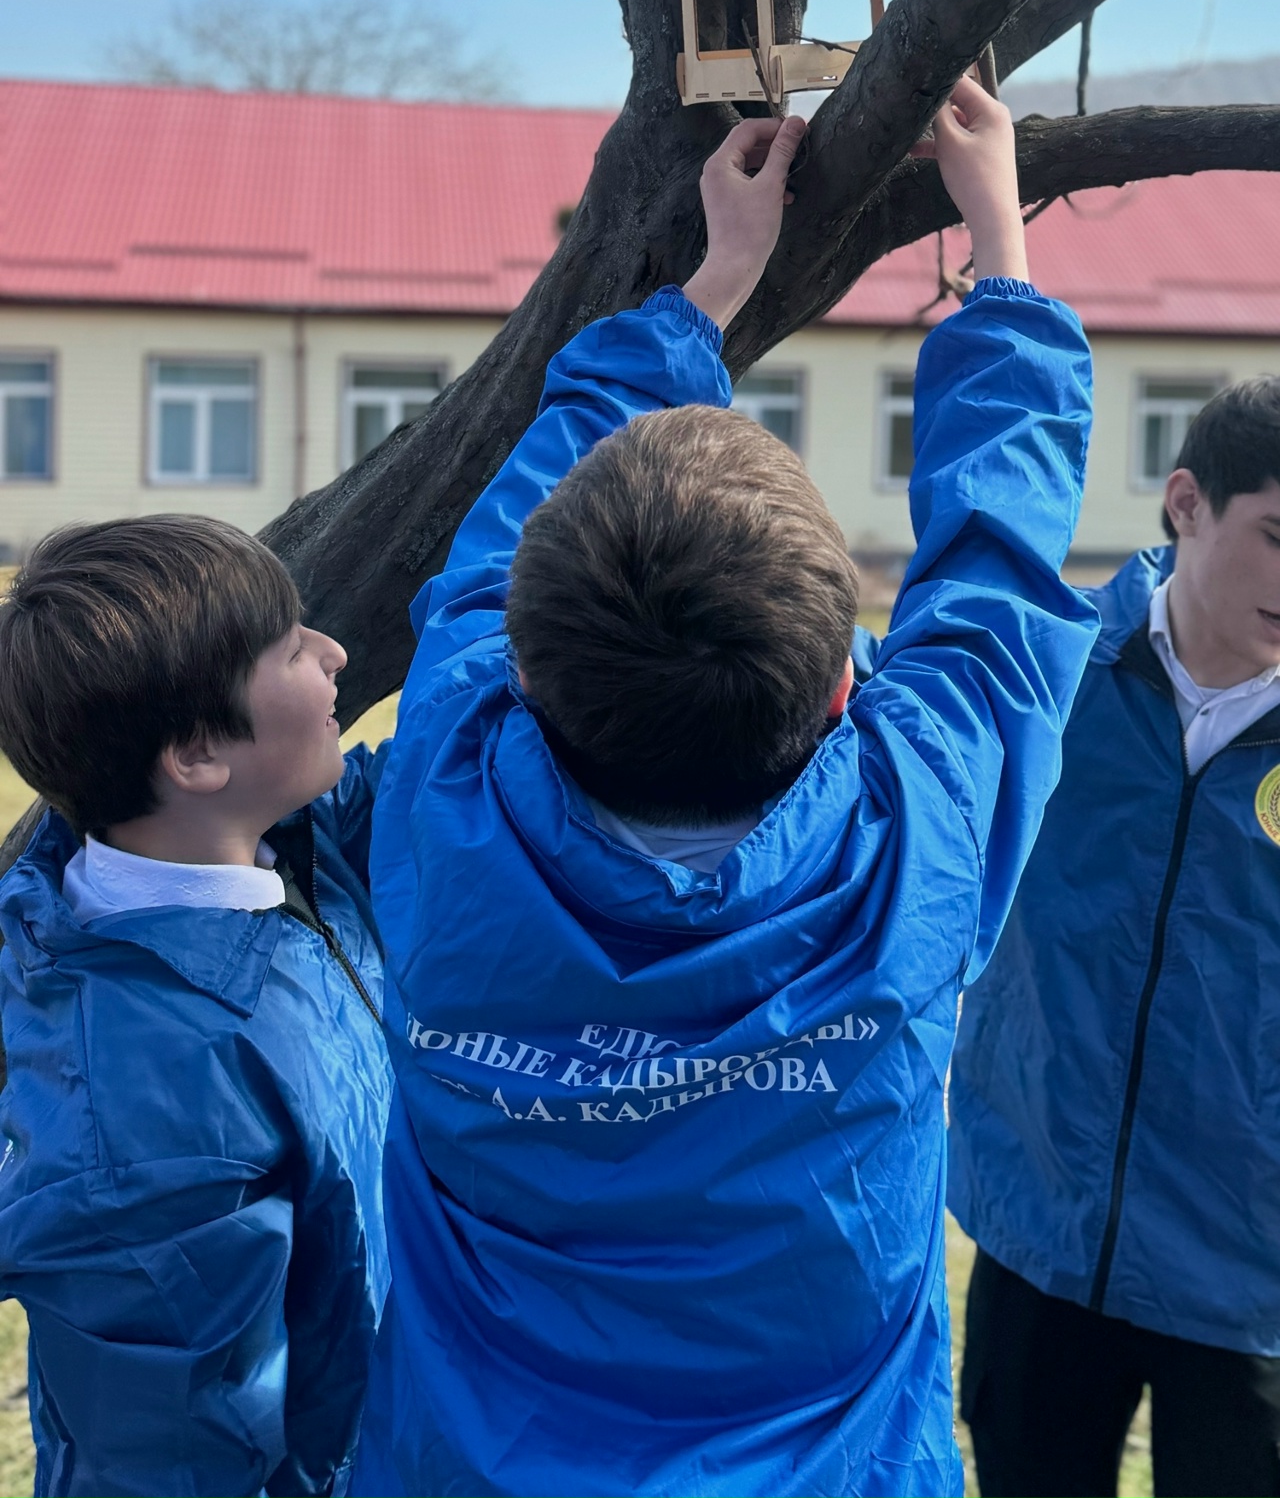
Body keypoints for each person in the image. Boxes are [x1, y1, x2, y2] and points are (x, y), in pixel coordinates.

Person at [352, 76, 1097, 1498]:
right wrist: (997, 244)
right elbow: (998, 576)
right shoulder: (915, 836)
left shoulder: (443, 781)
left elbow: (503, 540)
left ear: (525, 668)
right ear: (842, 691)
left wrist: (707, 292)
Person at [0, 515, 393, 1497]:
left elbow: (455, 733)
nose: (335, 652)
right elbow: (173, 1462)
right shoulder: (148, 1127)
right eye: (291, 646)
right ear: (196, 756)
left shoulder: (286, 848)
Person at [948, 374, 1280, 1498]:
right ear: (1186, 502)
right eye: (1277, 536)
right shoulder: (1043, 669)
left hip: (1248, 1272)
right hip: (1040, 1228)